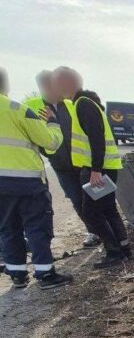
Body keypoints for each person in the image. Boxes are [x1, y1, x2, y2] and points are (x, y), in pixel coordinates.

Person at [0, 67, 73, 289]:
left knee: (7, 227)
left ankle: (18, 274)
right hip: (27, 181)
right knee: (36, 226)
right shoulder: (16, 109)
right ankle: (45, 273)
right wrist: (52, 122)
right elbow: (49, 142)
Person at [53, 67, 129, 268]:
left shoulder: (83, 104)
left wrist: (95, 169)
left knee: (91, 213)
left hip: (98, 169)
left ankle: (114, 251)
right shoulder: (87, 103)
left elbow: (96, 138)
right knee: (108, 209)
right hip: (105, 167)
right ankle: (123, 247)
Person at [25, 70, 100, 248]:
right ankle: (93, 231)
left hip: (81, 162)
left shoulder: (71, 104)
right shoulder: (32, 107)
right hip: (60, 165)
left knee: (91, 198)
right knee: (76, 199)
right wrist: (49, 153)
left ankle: (102, 230)